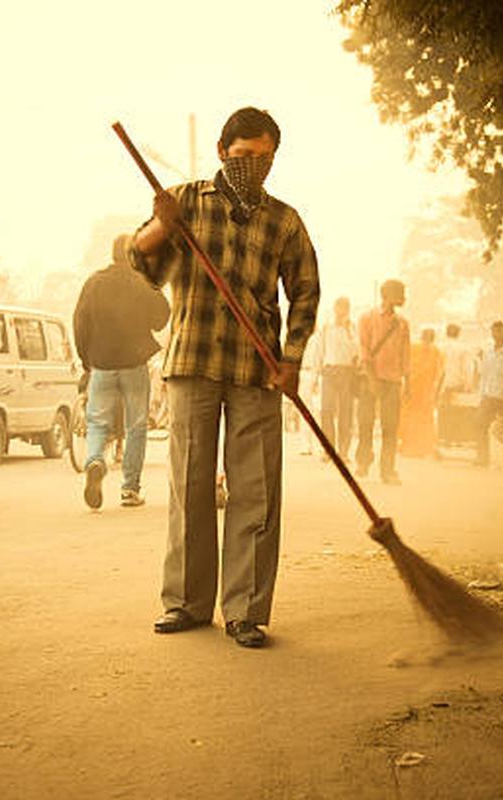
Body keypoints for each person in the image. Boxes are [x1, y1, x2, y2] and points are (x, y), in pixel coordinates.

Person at [131, 107, 320, 648]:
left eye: (263, 159)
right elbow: (144, 265)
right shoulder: (184, 201)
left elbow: (305, 289)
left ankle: (245, 610)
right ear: (221, 152)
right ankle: (186, 604)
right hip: (193, 360)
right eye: (242, 157)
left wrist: (292, 358)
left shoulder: (284, 220)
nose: (252, 167)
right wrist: (161, 227)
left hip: (256, 368)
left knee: (255, 491)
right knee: (190, 487)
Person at [73, 234, 170, 509]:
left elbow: (80, 323)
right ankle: (130, 490)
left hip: (101, 364)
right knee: (136, 426)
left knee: (97, 422)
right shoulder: (142, 282)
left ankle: (94, 460)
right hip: (134, 364)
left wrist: (86, 360)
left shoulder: (94, 282)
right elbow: (162, 318)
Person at [356, 279, 409, 483]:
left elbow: (405, 355)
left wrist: (408, 383)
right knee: (365, 424)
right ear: (387, 295)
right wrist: (371, 379)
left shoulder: (403, 324)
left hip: (393, 381)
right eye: (401, 292)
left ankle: (387, 470)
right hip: (369, 378)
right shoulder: (367, 318)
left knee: (391, 427)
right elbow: (364, 349)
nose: (404, 297)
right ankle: (363, 461)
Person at [312, 296, 357, 460]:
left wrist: (348, 331)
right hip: (329, 371)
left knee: (346, 412)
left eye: (345, 308)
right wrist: (315, 377)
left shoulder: (352, 329)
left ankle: (343, 451)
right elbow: (319, 352)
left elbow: (356, 351)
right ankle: (328, 450)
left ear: (348, 310)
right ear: (335, 309)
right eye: (339, 308)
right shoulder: (326, 328)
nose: (341, 311)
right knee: (327, 411)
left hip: (347, 372)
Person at [399, 327, 443, 458]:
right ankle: (419, 447)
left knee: (411, 417)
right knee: (419, 418)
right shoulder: (433, 351)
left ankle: (411, 446)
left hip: (416, 390)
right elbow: (438, 374)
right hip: (420, 391)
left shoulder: (419, 349)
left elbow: (406, 368)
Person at [477, 321, 503, 467]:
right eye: (495, 331)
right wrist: (482, 393)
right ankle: (482, 457)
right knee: (480, 424)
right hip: (489, 394)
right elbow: (484, 374)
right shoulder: (488, 351)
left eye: (500, 331)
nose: (497, 334)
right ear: (492, 333)